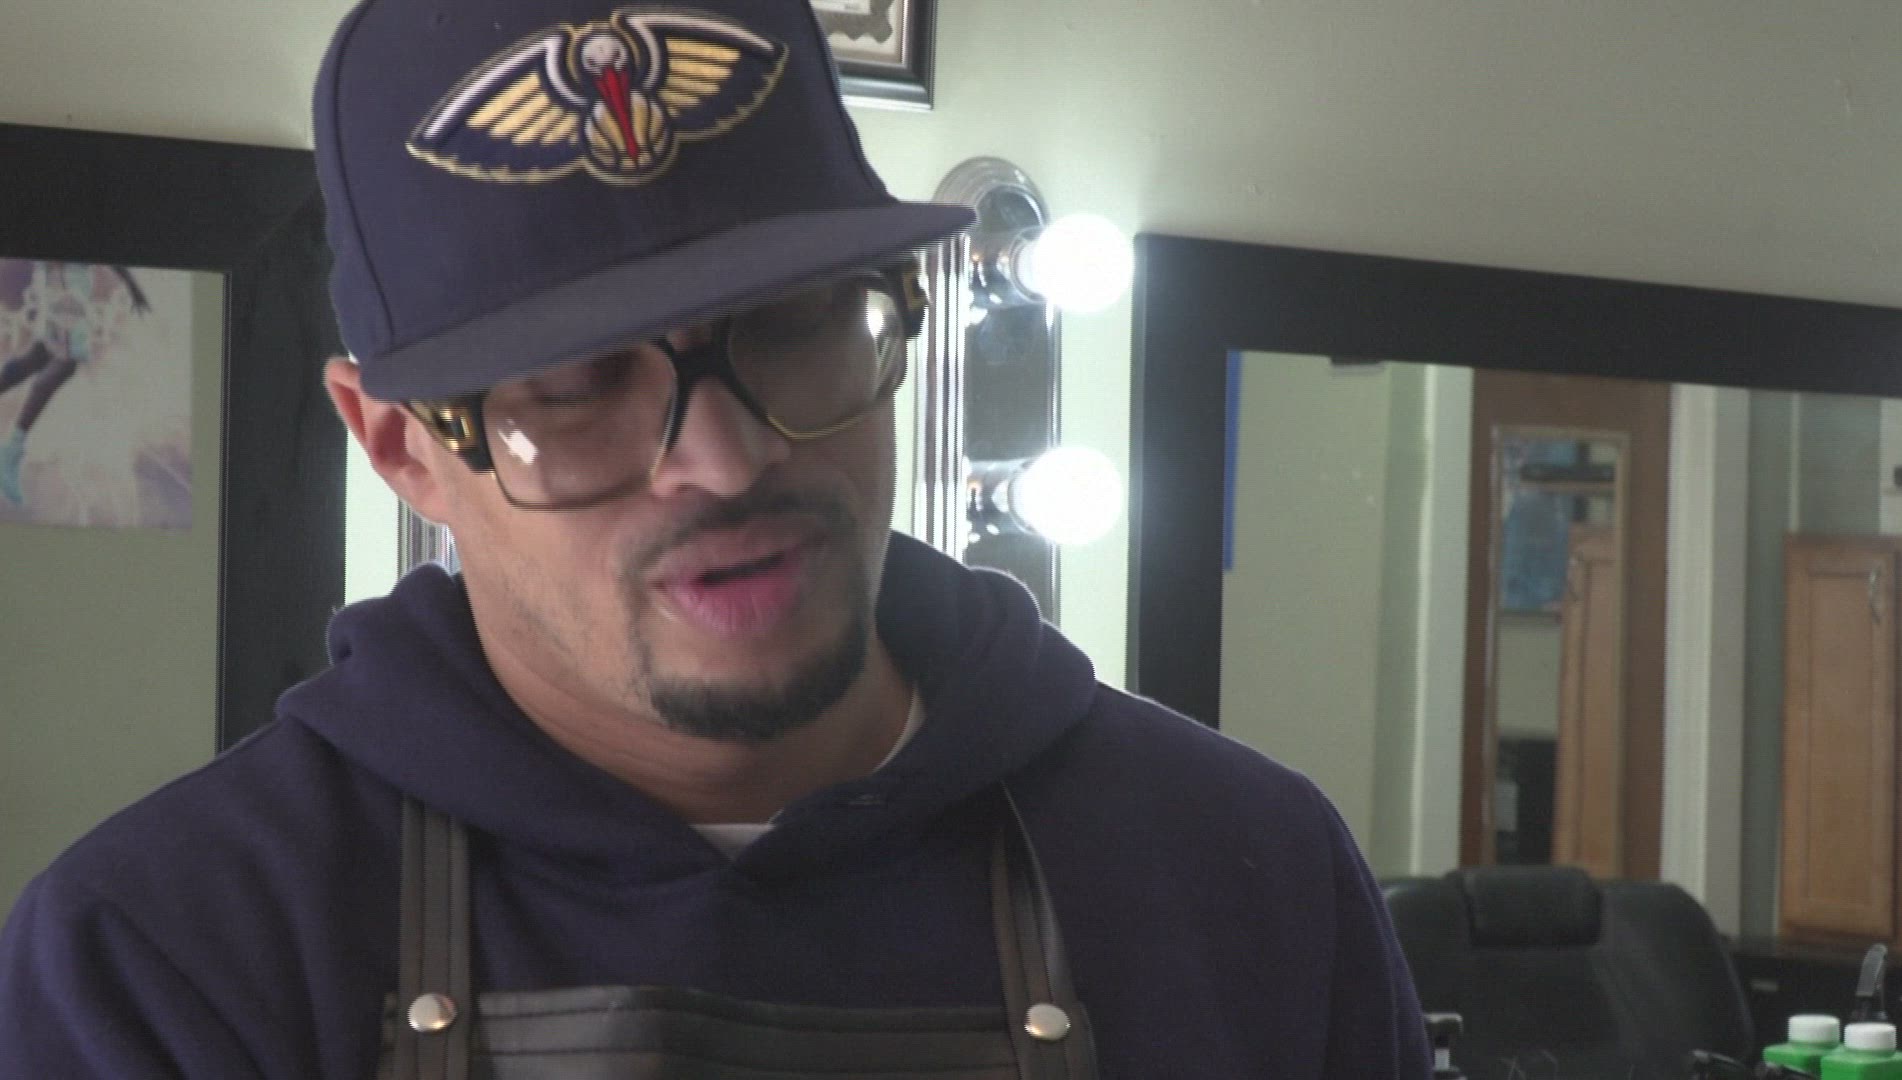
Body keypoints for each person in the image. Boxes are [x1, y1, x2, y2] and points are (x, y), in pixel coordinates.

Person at [0, 0, 1428, 1075]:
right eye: (576, 389)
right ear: (400, 449)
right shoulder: (166, 955)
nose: (727, 459)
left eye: (798, 326)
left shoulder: (1244, 881)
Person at [0, 262, 149, 504]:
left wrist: (132, 285)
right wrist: (133, 286)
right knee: (66, 360)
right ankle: (11, 450)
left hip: (62, 276)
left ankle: (10, 451)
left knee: (41, 354)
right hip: (66, 277)